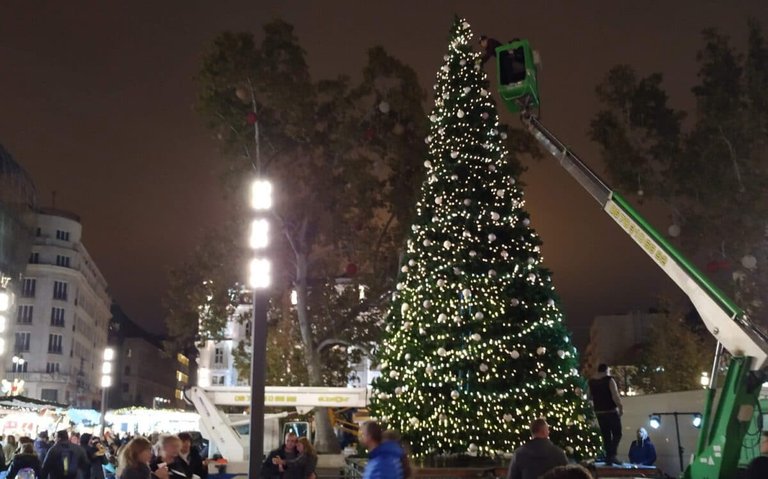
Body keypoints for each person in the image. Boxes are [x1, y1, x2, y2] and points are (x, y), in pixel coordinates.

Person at [588, 364, 623, 465]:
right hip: (610, 411)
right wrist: (620, 408)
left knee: (606, 435)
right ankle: (612, 455)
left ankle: (609, 457)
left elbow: (588, 396)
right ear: (606, 370)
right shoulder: (609, 380)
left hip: (599, 412)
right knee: (617, 433)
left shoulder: (591, 382)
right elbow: (615, 396)